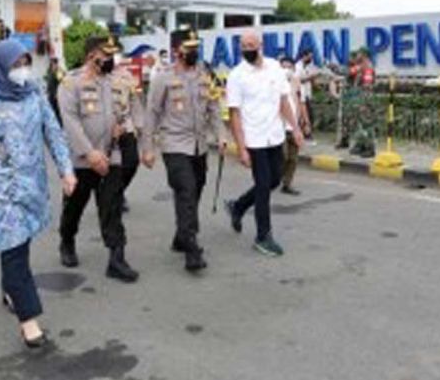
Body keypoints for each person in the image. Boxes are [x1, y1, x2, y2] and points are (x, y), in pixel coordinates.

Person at [0, 39, 77, 349]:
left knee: (20, 243)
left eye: (25, 63)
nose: (22, 70)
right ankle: (28, 320)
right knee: (13, 246)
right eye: (15, 65)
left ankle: (11, 289)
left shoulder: (34, 93)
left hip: (31, 183)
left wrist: (66, 169)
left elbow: (53, 132)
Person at [142, 28, 228, 272]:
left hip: (199, 145)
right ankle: (192, 249)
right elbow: (152, 113)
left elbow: (213, 108)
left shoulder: (205, 75)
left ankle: (182, 235)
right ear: (176, 50)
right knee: (186, 190)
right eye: (188, 48)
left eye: (195, 47)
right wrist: (148, 148)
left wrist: (221, 135)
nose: (194, 52)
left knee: (195, 190)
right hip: (174, 144)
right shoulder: (163, 77)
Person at [57, 36, 141, 282]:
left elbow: (124, 110)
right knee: (74, 205)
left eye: (112, 55)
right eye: (106, 55)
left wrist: (123, 127)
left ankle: (117, 257)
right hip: (81, 159)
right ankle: (67, 240)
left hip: (110, 154)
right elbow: (70, 122)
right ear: (91, 56)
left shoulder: (115, 82)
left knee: (112, 207)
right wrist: (89, 153)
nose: (110, 60)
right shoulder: (71, 83)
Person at [223, 31, 303, 257]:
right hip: (254, 139)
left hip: (274, 136)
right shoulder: (236, 76)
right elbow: (234, 114)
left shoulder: (274, 68)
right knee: (263, 186)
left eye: (251, 45)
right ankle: (263, 236)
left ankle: (238, 206)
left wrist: (295, 128)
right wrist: (241, 148)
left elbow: (283, 100)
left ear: (261, 45)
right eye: (243, 46)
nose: (247, 49)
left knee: (274, 180)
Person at [113, 49, 145, 214]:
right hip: (105, 131)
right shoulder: (94, 77)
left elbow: (135, 102)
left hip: (126, 127)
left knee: (132, 163)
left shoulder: (126, 76)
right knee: (112, 167)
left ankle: (117, 191)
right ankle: (112, 195)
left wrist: (140, 127)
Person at [279, 55, 303, 196]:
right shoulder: (274, 84)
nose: (287, 70)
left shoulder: (295, 83)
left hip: (293, 127)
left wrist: (300, 123)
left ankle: (287, 184)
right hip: (280, 127)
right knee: (283, 156)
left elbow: (299, 103)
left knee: (293, 158)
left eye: (289, 67)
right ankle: (273, 178)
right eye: (284, 66)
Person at [348, 48, 377, 158]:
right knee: (359, 124)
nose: (357, 56)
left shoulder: (368, 68)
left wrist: (364, 103)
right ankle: (361, 145)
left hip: (365, 101)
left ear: (364, 55)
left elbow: (367, 86)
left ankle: (370, 148)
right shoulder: (361, 67)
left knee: (367, 124)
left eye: (359, 54)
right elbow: (349, 72)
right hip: (360, 100)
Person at [298, 49, 318, 141]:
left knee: (309, 115)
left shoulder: (309, 66)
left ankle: (307, 133)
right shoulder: (298, 66)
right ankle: (306, 134)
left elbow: (312, 79)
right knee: (304, 116)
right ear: (304, 56)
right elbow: (299, 80)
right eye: (309, 56)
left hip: (307, 94)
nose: (311, 58)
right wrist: (311, 77)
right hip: (301, 94)